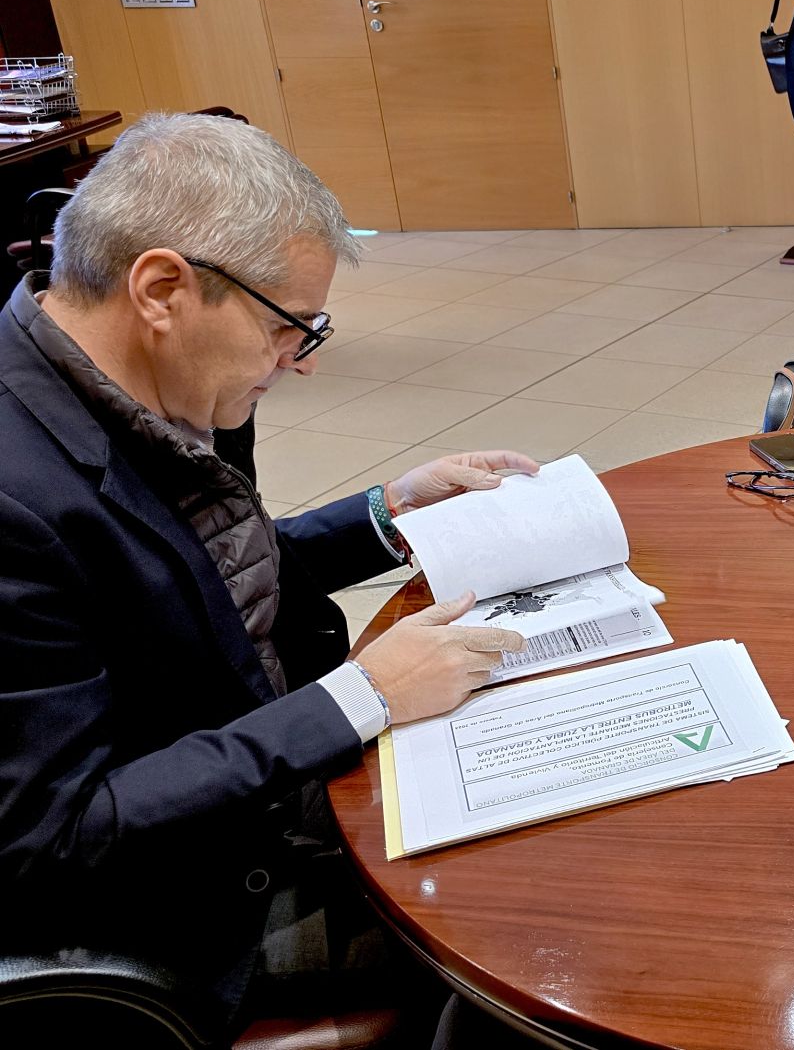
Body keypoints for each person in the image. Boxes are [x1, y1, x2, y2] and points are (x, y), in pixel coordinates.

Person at [0, 113, 536, 1036]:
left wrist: (387, 513)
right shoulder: (16, 501)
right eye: (289, 327)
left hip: (257, 791)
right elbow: (53, 838)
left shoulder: (123, 386)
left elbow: (188, 585)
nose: (301, 364)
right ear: (161, 289)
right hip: (197, 908)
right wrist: (361, 697)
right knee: (521, 918)